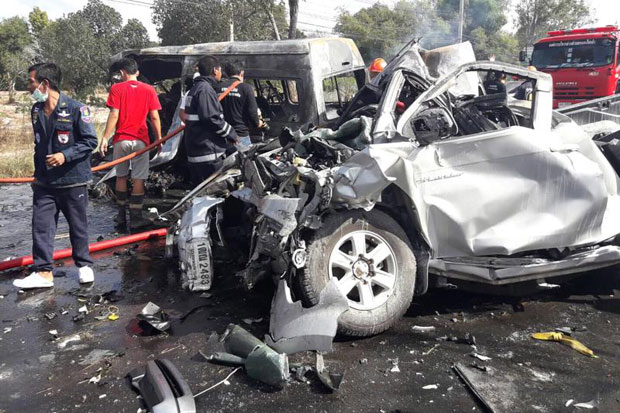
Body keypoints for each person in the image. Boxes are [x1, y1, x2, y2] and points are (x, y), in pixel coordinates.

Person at [13, 63, 97, 289]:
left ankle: (84, 266)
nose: (29, 87)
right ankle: (43, 272)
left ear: (45, 83)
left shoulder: (78, 109)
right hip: (45, 183)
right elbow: (38, 145)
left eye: (31, 82)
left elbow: (90, 142)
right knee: (41, 226)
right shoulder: (36, 111)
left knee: (78, 225)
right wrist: (36, 174)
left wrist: (65, 156)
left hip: (73, 180)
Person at [99, 58, 162, 230]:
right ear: (137, 73)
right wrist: (158, 139)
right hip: (141, 141)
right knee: (139, 178)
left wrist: (105, 137)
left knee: (121, 176)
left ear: (122, 73)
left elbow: (114, 114)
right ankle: (135, 217)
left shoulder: (116, 88)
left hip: (121, 140)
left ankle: (121, 216)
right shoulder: (149, 90)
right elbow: (154, 117)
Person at [183, 55, 237, 187]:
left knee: (199, 194)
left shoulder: (195, 89)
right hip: (207, 153)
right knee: (214, 193)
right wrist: (231, 134)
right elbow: (211, 118)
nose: (220, 74)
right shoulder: (205, 90)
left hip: (196, 151)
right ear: (215, 70)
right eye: (219, 70)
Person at [219, 61, 263, 150]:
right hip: (240, 135)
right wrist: (259, 123)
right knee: (243, 162)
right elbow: (252, 113)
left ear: (227, 74)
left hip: (222, 135)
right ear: (241, 73)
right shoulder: (246, 88)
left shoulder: (218, 87)